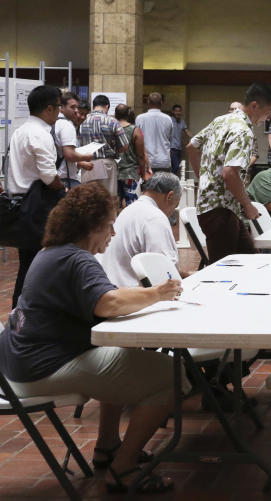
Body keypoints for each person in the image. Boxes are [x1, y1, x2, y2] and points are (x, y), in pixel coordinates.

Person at [0, 183, 182, 494]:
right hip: (41, 369)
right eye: (110, 225)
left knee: (119, 346)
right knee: (172, 376)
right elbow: (108, 303)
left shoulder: (53, 252)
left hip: (18, 363)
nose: (113, 234)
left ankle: (108, 445)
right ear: (91, 225)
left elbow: (104, 300)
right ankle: (123, 469)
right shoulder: (76, 260)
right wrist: (158, 293)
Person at [186, 83, 271, 262]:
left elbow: (191, 147)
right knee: (224, 271)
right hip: (221, 209)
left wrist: (203, 178)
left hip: (218, 207)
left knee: (249, 261)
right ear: (254, 106)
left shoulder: (221, 120)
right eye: (268, 112)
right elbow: (230, 173)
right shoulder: (243, 131)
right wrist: (248, 205)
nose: (268, 118)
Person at [6, 85, 66, 307]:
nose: (59, 111)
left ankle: (19, 309)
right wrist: (64, 189)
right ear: (49, 108)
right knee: (42, 261)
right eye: (59, 107)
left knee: (28, 261)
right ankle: (30, 310)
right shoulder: (40, 134)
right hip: (39, 206)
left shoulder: (20, 131)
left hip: (23, 204)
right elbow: (49, 177)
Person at [98, 173, 185, 287]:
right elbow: (165, 274)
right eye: (175, 205)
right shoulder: (155, 216)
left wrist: (186, 274)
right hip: (130, 293)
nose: (172, 212)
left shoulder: (130, 210)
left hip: (110, 285)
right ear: (169, 196)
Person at [78, 95, 129, 197]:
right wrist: (115, 150)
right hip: (107, 164)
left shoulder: (81, 121)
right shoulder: (113, 121)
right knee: (108, 199)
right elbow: (125, 145)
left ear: (93, 106)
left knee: (89, 200)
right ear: (107, 107)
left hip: (87, 164)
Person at [54, 92, 94, 190]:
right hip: (64, 178)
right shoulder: (66, 125)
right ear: (61, 108)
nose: (76, 111)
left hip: (58, 176)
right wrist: (86, 157)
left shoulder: (55, 122)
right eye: (72, 107)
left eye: (77, 107)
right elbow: (69, 155)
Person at [115, 104, 151, 208]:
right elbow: (140, 155)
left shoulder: (112, 128)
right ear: (128, 114)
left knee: (114, 206)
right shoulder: (135, 130)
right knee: (132, 206)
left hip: (114, 172)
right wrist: (143, 174)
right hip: (131, 173)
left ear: (115, 114)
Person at [135, 92, 175, 174]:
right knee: (164, 186)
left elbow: (136, 140)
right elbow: (170, 140)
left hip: (146, 162)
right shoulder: (168, 119)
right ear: (161, 103)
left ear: (148, 102)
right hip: (164, 161)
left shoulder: (140, 118)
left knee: (147, 186)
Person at [169, 104, 191, 174]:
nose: (178, 113)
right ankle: (172, 182)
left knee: (176, 167)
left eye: (179, 111)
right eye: (176, 111)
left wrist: (195, 139)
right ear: (173, 111)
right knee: (175, 167)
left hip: (179, 148)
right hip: (171, 148)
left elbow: (187, 131)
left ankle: (172, 182)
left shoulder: (182, 122)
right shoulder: (169, 120)